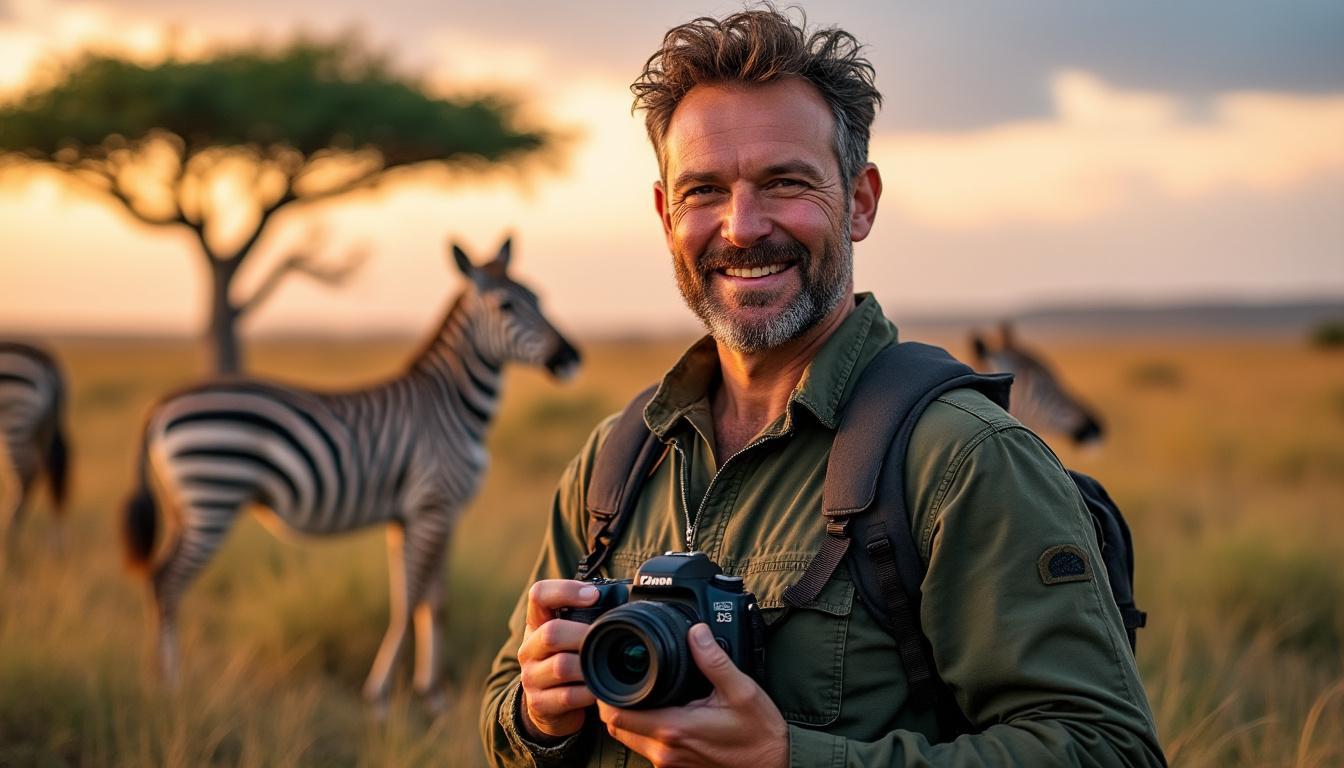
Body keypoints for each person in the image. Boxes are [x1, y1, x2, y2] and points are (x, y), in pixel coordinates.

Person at [481, 7, 1165, 767]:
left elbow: (1109, 750)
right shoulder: (617, 459)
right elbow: (506, 711)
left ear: (861, 200)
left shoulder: (960, 459)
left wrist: (789, 758)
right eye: (703, 190)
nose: (741, 226)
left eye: (784, 182)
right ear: (664, 213)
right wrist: (537, 715)